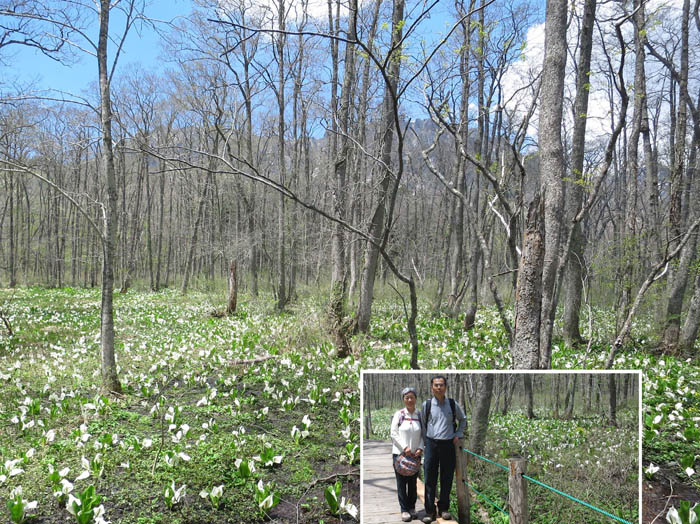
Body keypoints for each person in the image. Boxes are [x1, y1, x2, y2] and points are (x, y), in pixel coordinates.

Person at [421, 375, 466, 523]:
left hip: (448, 445)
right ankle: (430, 511)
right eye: (436, 385)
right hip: (431, 444)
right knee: (429, 479)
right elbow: (422, 425)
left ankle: (443, 508)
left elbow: (463, 419)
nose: (439, 387)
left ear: (446, 387)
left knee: (447, 478)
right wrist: (424, 444)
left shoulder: (452, 404)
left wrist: (458, 434)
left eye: (441, 385)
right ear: (432, 387)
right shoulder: (427, 405)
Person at [390, 386, 424, 522]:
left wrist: (420, 448)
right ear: (403, 400)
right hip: (400, 455)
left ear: (416, 399)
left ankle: (412, 508)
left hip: (415, 455)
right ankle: (404, 510)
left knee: (413, 483)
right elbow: (393, 433)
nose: (410, 400)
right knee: (401, 483)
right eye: (407, 397)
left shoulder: (419, 415)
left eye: (412, 397)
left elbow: (423, 434)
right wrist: (405, 448)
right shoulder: (400, 415)